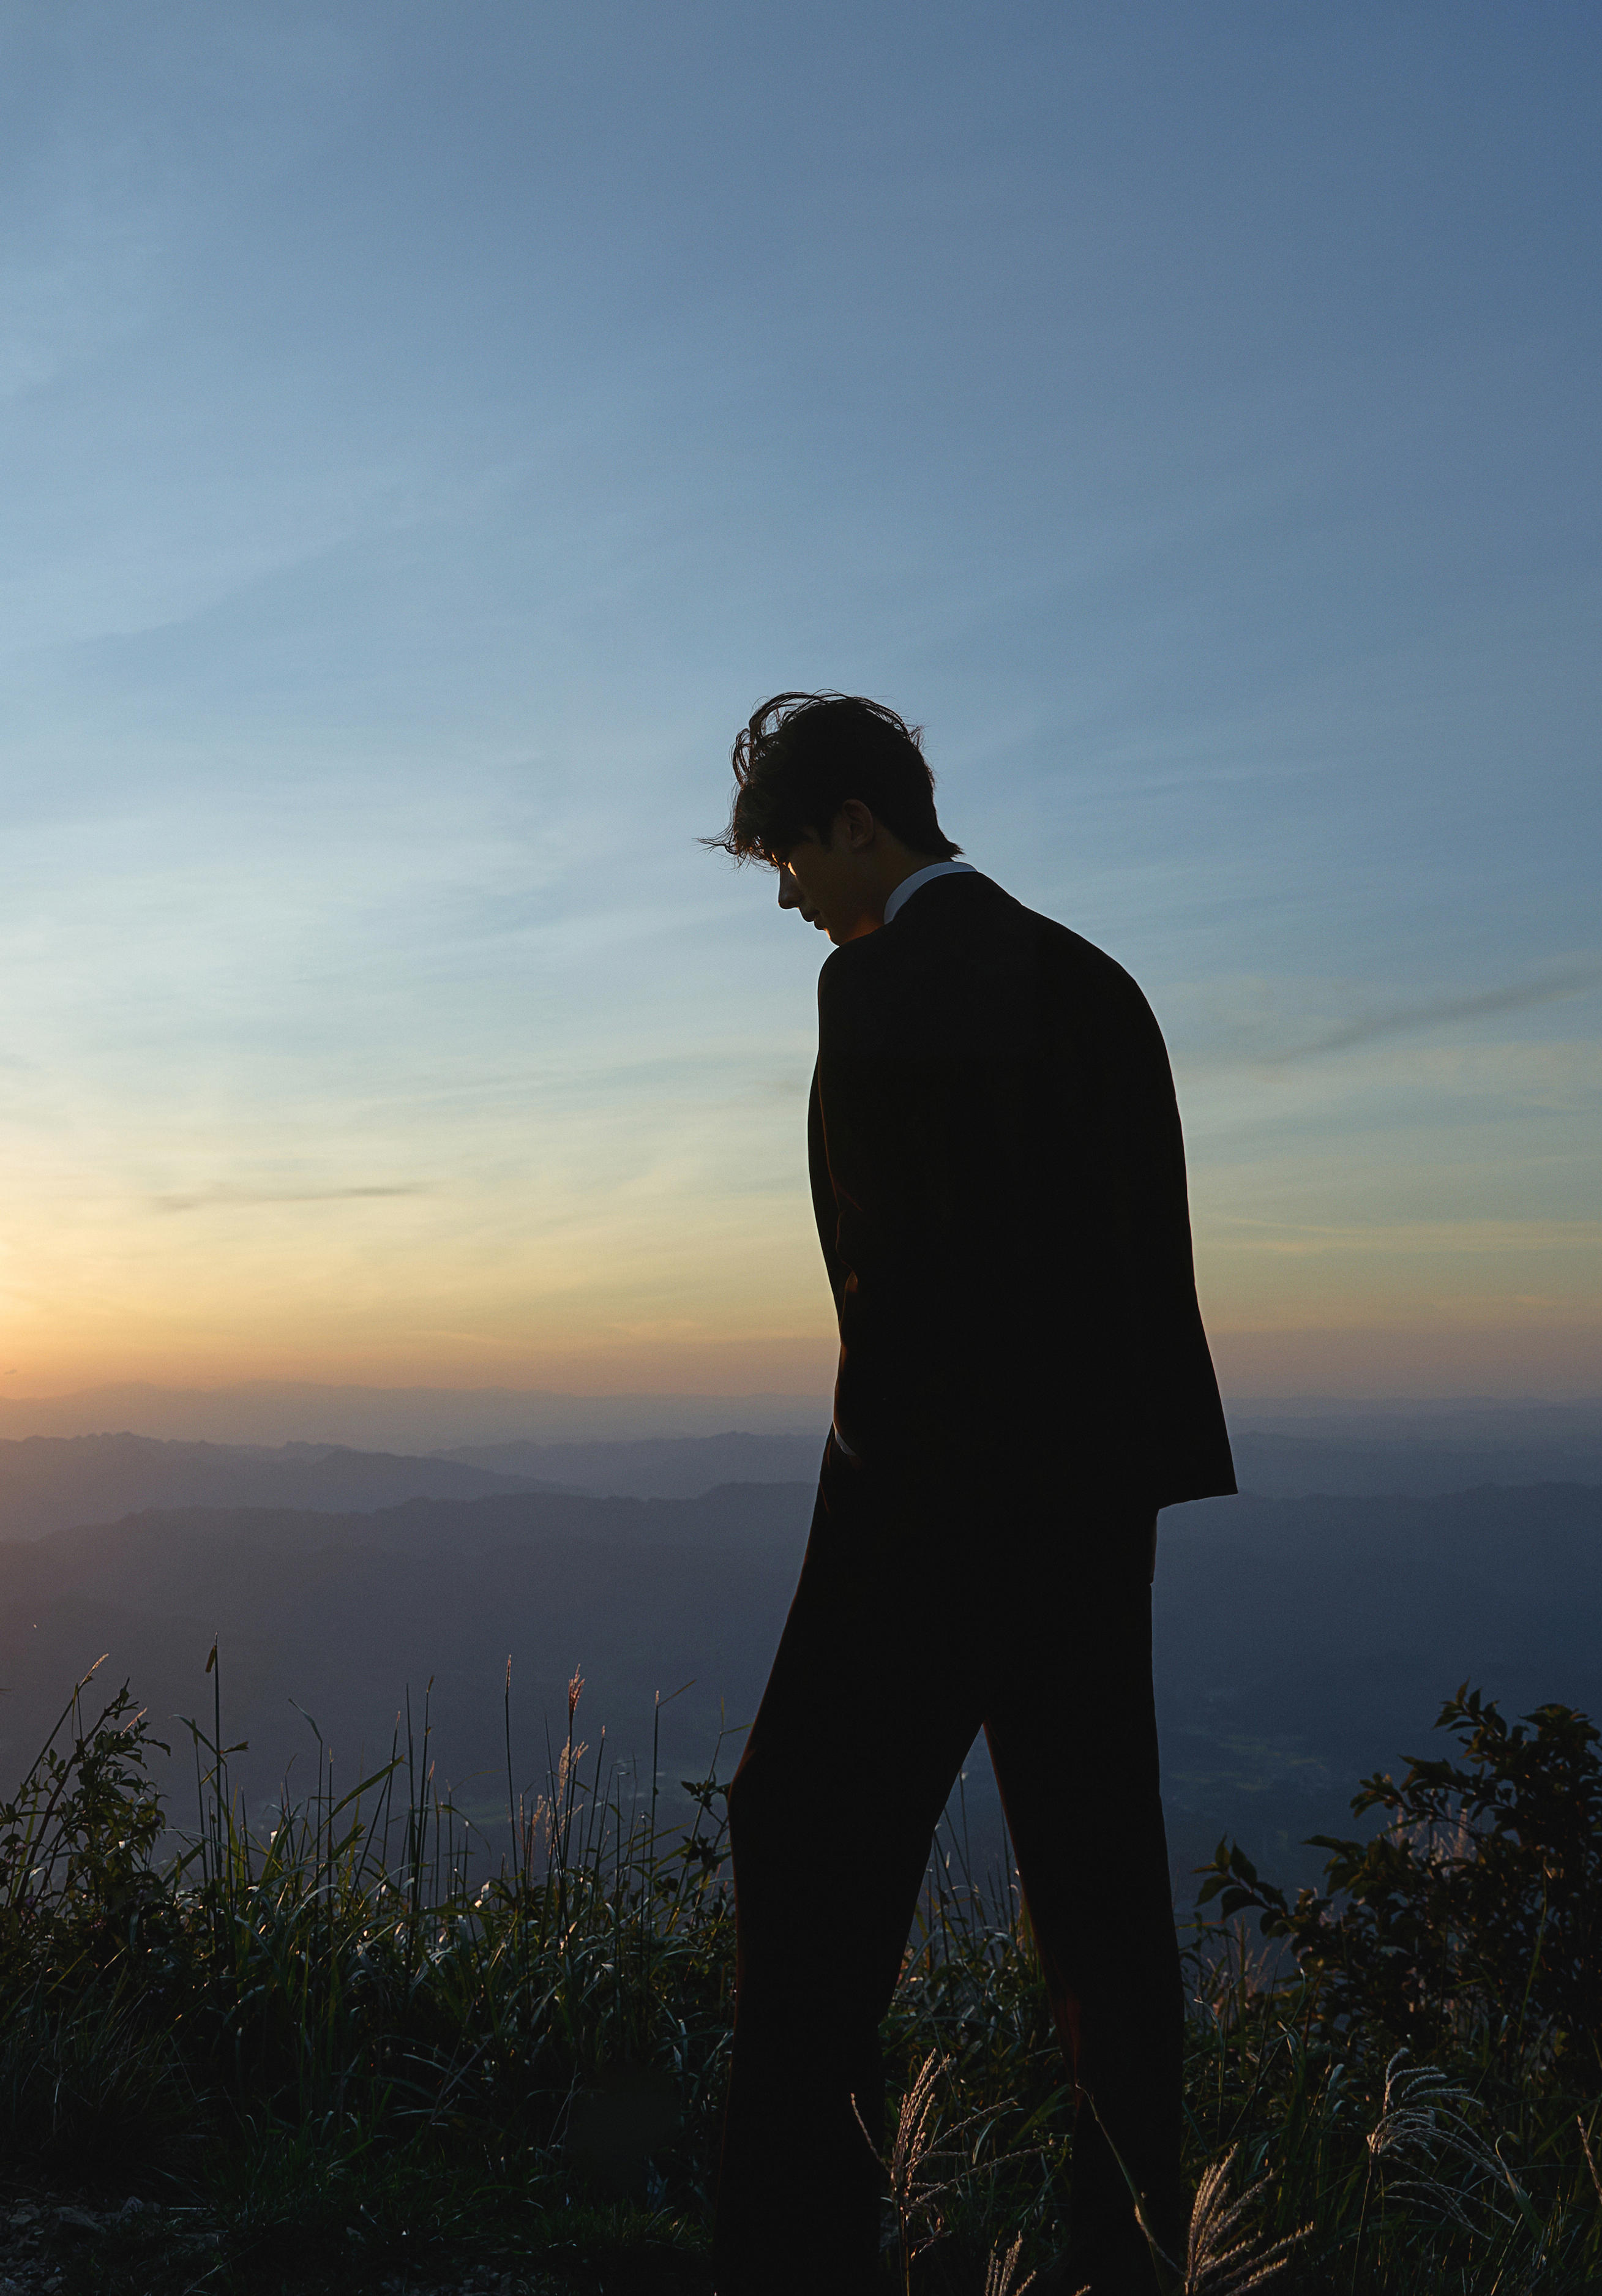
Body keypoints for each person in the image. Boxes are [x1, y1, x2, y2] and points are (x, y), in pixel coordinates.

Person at [705, 696, 1235, 2296]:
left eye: (792, 851)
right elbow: (1147, 1265)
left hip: (928, 1515)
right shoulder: (1097, 980)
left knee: (799, 1839)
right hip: (1095, 1509)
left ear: (862, 822)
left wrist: (873, 1492)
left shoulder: (876, 983)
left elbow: (892, 1276)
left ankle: (797, 2243)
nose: (787, 889)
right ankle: (1129, 2247)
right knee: (1101, 1898)